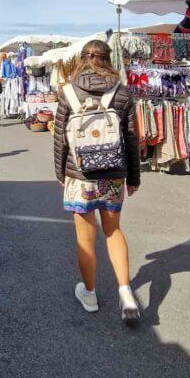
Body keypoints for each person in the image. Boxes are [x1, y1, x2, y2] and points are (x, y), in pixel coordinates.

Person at [52, 39, 141, 322]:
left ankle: (89, 294)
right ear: (108, 58)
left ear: (82, 59)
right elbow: (131, 139)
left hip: (80, 175)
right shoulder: (122, 92)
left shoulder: (68, 92)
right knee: (113, 231)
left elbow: (60, 138)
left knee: (85, 238)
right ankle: (126, 293)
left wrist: (60, 173)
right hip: (113, 174)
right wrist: (133, 177)